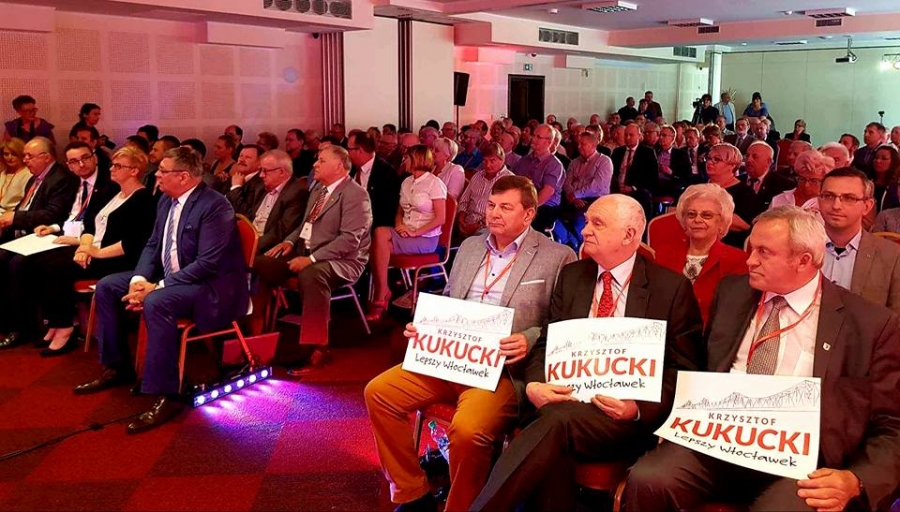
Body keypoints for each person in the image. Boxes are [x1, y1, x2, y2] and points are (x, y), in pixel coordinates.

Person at [625, 206, 900, 512]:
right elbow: (701, 369)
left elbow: (891, 424)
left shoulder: (868, 324)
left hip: (803, 460)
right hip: (720, 439)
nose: (750, 260)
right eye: (752, 249)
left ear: (803, 260)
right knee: (648, 479)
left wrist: (857, 479)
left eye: (764, 252)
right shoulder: (733, 293)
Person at [470, 194, 702, 511]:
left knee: (553, 423)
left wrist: (637, 407)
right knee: (555, 431)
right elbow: (546, 342)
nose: (584, 230)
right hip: (565, 402)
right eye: (588, 221)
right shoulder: (573, 276)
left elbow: (684, 370)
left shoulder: (670, 289)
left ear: (629, 235)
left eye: (597, 223)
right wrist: (535, 384)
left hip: (622, 417)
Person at [366, 176, 575, 512]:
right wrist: (426, 326)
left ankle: (462, 506)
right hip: (450, 356)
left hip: (502, 369)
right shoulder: (470, 247)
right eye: (491, 205)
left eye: (505, 207)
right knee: (379, 393)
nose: (494, 213)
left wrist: (530, 338)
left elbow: (564, 321)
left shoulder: (557, 255)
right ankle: (412, 492)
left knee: (468, 430)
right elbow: (450, 298)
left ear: (529, 214)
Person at [74, 147, 249, 434]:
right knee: (107, 286)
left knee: (157, 301)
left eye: (163, 171)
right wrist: (138, 280)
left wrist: (156, 286)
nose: (156, 174)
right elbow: (153, 244)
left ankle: (166, 392)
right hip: (170, 278)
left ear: (183, 176)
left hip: (210, 286)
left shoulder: (215, 206)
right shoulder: (166, 200)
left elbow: (208, 263)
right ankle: (117, 366)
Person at [254, 146, 372, 370]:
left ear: (338, 166)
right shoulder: (319, 188)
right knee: (260, 264)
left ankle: (317, 347)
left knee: (311, 274)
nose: (315, 164)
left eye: (321, 161)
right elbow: (305, 224)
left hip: (342, 260)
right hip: (306, 251)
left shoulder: (356, 195)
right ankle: (256, 333)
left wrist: (312, 259)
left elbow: (349, 241)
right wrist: (289, 241)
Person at [30, 146, 155, 356]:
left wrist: (95, 253)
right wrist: (85, 247)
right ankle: (56, 323)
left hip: (116, 259)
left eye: (118, 166)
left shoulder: (143, 199)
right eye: (112, 165)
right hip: (95, 250)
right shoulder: (114, 192)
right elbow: (89, 224)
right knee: (43, 260)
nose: (111, 169)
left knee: (56, 267)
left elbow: (133, 243)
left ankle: (65, 327)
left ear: (134, 171)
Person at [368, 145, 446, 319]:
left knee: (379, 237)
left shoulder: (435, 183)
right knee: (378, 239)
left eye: (407, 158)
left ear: (418, 159)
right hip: (405, 232)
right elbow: (399, 211)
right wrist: (399, 226)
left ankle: (381, 293)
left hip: (425, 238)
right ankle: (383, 291)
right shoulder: (406, 181)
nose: (404, 161)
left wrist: (415, 232)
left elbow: (440, 219)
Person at [655, 184, 748, 325]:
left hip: (712, 334)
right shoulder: (663, 255)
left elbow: (735, 313)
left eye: (707, 215)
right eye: (691, 214)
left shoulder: (738, 260)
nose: (697, 220)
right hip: (666, 332)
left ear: (721, 222)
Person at [819, 167, 900, 313]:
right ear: (819, 200)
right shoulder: (798, 247)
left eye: (849, 198)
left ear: (867, 206)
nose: (836, 206)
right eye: (829, 196)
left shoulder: (892, 256)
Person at [553, 132, 612, 250]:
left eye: (583, 144)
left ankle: (577, 247)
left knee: (579, 220)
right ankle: (571, 243)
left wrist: (575, 194)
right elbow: (567, 182)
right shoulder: (574, 162)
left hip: (594, 200)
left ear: (593, 145)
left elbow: (597, 186)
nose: (579, 147)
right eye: (579, 144)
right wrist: (572, 197)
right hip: (572, 198)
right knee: (552, 213)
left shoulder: (604, 161)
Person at [704, 143, 760, 248]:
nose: (709, 162)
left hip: (728, 246)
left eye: (716, 159)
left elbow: (743, 224)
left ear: (732, 165)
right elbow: (676, 210)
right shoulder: (697, 186)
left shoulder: (745, 192)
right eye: (708, 158)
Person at [512, 124, 564, 232]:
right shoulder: (524, 161)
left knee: (520, 223)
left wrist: (528, 208)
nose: (533, 139)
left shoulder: (554, 165)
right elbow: (513, 181)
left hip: (544, 206)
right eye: (534, 135)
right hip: (522, 201)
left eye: (538, 137)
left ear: (549, 142)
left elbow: (547, 191)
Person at [456, 143, 514, 240]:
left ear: (502, 160)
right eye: (485, 160)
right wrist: (461, 218)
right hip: (467, 222)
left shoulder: (509, 180)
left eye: (492, 161)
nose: (487, 165)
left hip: (488, 227)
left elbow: (502, 211)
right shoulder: (477, 176)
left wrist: (478, 224)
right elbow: (464, 200)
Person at [346, 130, 400, 232]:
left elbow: (387, 211)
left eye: (349, 149)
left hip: (373, 229)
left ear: (360, 150)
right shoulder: (349, 169)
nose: (347, 153)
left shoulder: (387, 173)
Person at [611, 123, 659, 218]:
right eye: (626, 135)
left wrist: (633, 188)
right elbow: (611, 173)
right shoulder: (617, 152)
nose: (627, 137)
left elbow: (652, 177)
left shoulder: (647, 152)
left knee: (644, 195)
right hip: (617, 188)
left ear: (639, 136)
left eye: (631, 135)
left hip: (637, 190)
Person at [744, 141, 794, 210]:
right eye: (747, 156)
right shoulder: (736, 181)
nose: (748, 160)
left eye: (755, 157)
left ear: (768, 162)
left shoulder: (784, 185)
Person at [0, 138, 29, 214]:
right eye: (6, 154)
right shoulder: (3, 173)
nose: (9, 157)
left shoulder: (28, 174)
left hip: (13, 214)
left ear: (21, 155)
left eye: (14, 154)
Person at [870, 144, 900, 211]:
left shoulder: (896, 186)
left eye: (884, 158)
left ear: (893, 161)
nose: (878, 161)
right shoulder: (867, 181)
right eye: (876, 157)